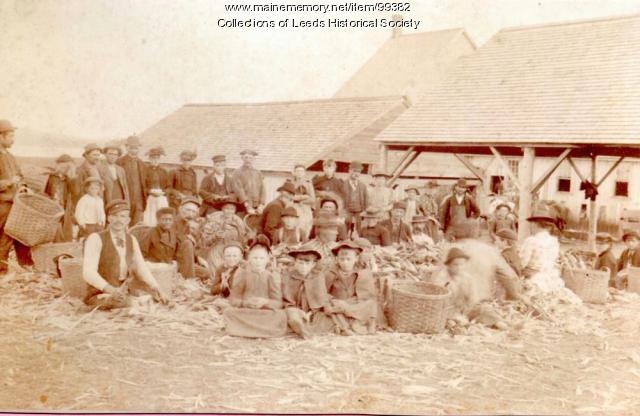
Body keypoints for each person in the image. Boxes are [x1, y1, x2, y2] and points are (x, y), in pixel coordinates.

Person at [82, 199, 168, 309]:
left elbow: (141, 268)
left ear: (128, 220)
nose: (119, 220)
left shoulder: (131, 239)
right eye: (115, 216)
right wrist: (110, 290)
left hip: (123, 292)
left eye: (123, 216)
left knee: (156, 300)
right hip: (100, 293)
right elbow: (88, 273)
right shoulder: (96, 238)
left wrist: (157, 288)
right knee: (131, 305)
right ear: (109, 218)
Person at [224, 237, 287, 338]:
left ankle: (244, 330)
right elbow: (233, 299)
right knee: (228, 312)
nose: (258, 261)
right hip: (246, 311)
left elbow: (278, 303)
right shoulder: (242, 275)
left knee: (280, 315)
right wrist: (245, 303)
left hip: (265, 312)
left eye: (261, 258)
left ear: (267, 260)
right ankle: (260, 331)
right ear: (249, 259)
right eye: (255, 258)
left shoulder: (271, 276)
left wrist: (265, 302)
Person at [323, 240, 378, 335]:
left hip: (353, 303)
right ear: (337, 259)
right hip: (337, 302)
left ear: (356, 258)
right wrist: (331, 300)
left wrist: (351, 305)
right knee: (333, 309)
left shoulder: (362, 272)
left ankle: (358, 322)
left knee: (371, 304)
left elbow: (366, 294)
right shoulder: (330, 273)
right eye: (342, 259)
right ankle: (345, 327)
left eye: (349, 259)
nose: (345, 262)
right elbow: (323, 292)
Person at [0, 120, 33, 273]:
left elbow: (20, 176)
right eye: (10, 135)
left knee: (20, 234)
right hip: (3, 204)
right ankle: (1, 269)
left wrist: (25, 187)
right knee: (3, 237)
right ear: (1, 137)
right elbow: (10, 180)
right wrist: (8, 183)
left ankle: (25, 265)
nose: (13, 139)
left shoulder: (10, 157)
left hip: (16, 204)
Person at [281, 243, 334, 338]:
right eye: (300, 263)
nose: (303, 267)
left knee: (327, 317)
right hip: (294, 309)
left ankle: (306, 327)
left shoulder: (317, 276)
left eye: (307, 263)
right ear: (295, 262)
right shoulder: (288, 276)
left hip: (313, 311)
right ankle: (301, 330)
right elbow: (286, 299)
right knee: (292, 316)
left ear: (313, 264)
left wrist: (311, 312)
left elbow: (321, 298)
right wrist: (298, 311)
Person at [138, 207, 201, 280]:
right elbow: (141, 254)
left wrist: (198, 258)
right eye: (164, 219)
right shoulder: (151, 233)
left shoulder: (173, 233)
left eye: (170, 220)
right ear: (158, 221)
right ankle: (188, 281)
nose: (168, 222)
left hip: (173, 264)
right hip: (158, 265)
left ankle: (186, 276)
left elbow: (184, 245)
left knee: (205, 273)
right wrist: (155, 264)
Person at [519, 208, 563, 292]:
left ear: (535, 224)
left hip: (533, 279)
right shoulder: (554, 241)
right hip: (551, 278)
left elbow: (522, 263)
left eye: (532, 224)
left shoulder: (531, 241)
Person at [44, 154, 80, 242]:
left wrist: (72, 177)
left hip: (63, 209)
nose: (65, 170)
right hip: (50, 209)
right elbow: (44, 191)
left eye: (68, 168)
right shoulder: (50, 177)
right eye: (64, 167)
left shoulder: (68, 179)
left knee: (62, 234)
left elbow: (76, 192)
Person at [117, 135, 147, 225]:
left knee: (138, 226)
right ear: (127, 148)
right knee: (123, 224)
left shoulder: (142, 164)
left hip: (139, 201)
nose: (134, 150)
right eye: (132, 148)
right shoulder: (120, 162)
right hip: (125, 200)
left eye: (136, 148)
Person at [231, 149, 266, 215]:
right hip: (243, 206)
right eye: (246, 157)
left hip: (256, 206)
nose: (248, 160)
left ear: (254, 159)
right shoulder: (237, 172)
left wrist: (261, 205)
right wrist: (247, 206)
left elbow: (262, 189)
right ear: (242, 158)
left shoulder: (258, 173)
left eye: (250, 158)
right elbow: (239, 190)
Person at [142, 146, 170, 226]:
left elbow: (168, 187)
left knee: (162, 218)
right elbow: (143, 186)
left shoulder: (164, 171)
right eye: (153, 158)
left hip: (161, 198)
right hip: (151, 198)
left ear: (159, 159)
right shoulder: (145, 171)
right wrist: (150, 192)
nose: (155, 160)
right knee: (151, 219)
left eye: (157, 158)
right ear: (149, 159)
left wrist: (163, 193)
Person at [99, 141, 130, 207]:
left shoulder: (120, 169)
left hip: (120, 198)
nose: (113, 157)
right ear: (105, 154)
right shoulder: (100, 168)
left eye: (115, 154)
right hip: (107, 200)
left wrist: (127, 203)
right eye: (110, 154)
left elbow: (125, 188)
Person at [342, 161, 368, 234]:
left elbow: (366, 199)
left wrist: (364, 211)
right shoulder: (343, 184)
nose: (356, 173)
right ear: (349, 171)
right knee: (345, 230)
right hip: (346, 211)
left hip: (359, 212)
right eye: (354, 171)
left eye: (359, 172)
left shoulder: (363, 185)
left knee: (358, 231)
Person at [290, 164, 316, 239]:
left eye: (301, 171)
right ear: (294, 172)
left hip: (306, 209)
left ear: (304, 173)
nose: (299, 173)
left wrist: (302, 201)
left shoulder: (308, 183)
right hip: (294, 208)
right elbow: (289, 196)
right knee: (295, 227)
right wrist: (303, 197)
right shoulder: (291, 183)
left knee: (306, 227)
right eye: (297, 171)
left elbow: (312, 198)